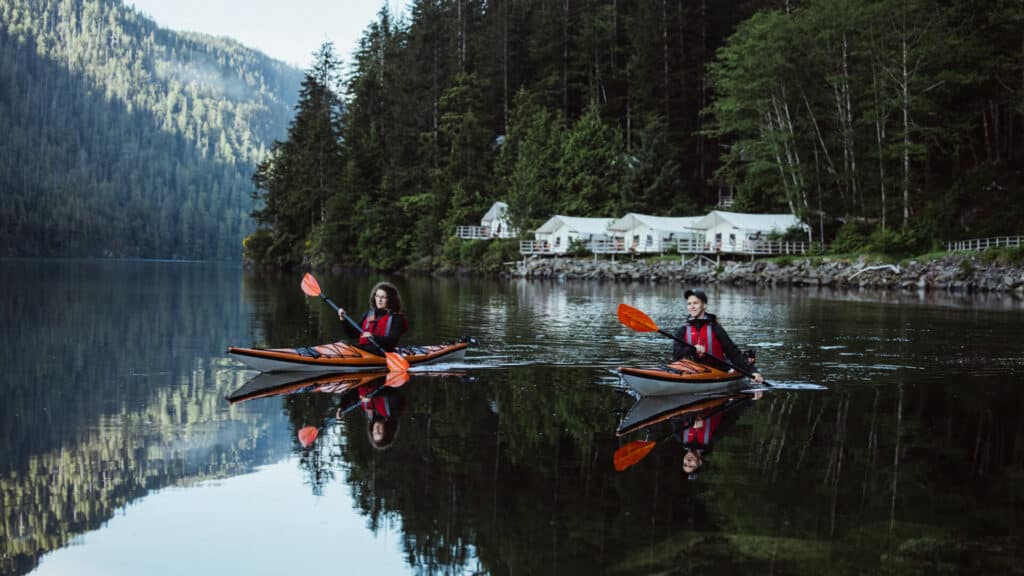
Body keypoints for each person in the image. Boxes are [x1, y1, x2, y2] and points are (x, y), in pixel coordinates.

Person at [672, 288, 764, 384]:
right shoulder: (682, 329)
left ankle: (747, 360)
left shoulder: (715, 328)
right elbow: (676, 354)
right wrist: (692, 349)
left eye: (696, 303)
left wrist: (753, 372)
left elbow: (733, 353)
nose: (692, 307)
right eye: (689, 304)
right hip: (690, 371)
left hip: (716, 371)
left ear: (704, 305)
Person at [338, 282, 408, 354]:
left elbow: (393, 340)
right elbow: (353, 334)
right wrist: (343, 320)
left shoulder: (397, 318)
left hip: (382, 353)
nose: (379, 300)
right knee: (343, 343)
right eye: (377, 296)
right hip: (364, 351)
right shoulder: (369, 314)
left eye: (383, 297)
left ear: (391, 299)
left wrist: (373, 337)